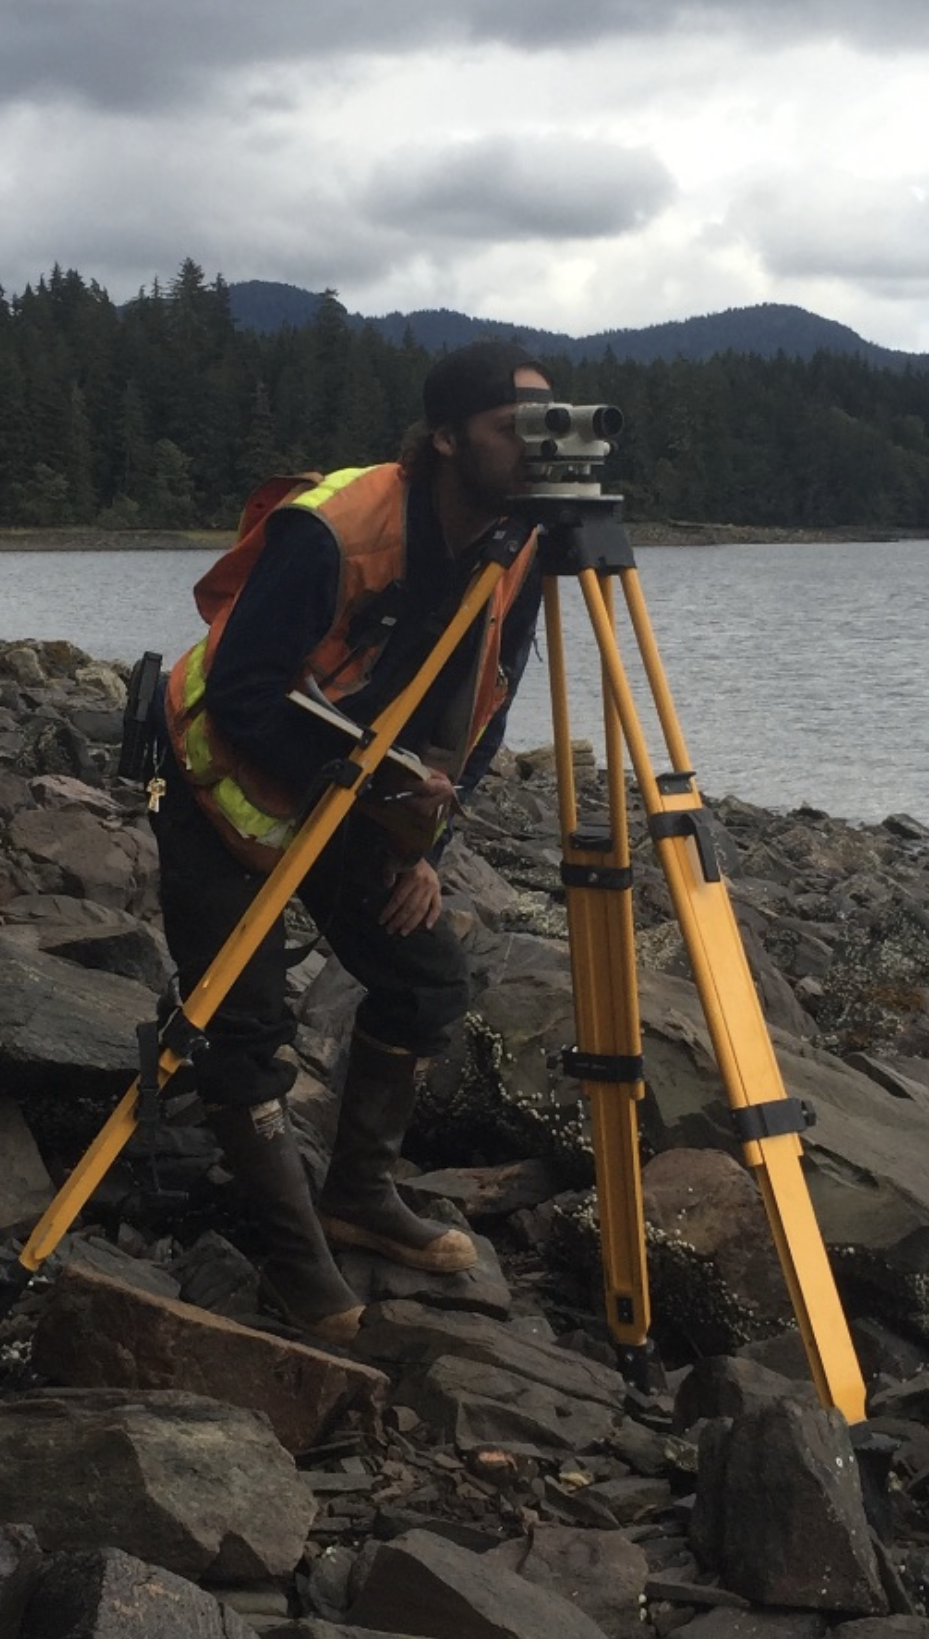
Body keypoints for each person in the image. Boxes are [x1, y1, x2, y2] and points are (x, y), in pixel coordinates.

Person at [150, 341, 552, 1345]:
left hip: (354, 787)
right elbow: (244, 692)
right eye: (516, 428)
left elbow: (483, 707)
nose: (538, 446)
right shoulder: (337, 529)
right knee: (240, 1029)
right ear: (450, 437)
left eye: (552, 424)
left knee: (423, 979)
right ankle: (296, 1264)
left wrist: (426, 840)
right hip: (219, 777)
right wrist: (382, 784)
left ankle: (359, 1191)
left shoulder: (521, 542)